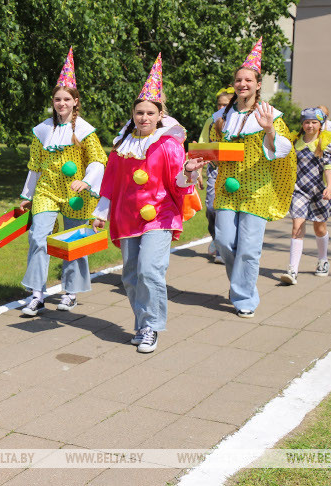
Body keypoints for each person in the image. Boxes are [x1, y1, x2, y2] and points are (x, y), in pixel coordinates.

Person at [92, 54, 206, 353]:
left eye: (149, 113)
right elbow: (110, 184)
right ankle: (142, 323)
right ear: (133, 114)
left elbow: (179, 183)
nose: (144, 118)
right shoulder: (121, 147)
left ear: (159, 116)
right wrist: (101, 213)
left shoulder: (169, 144)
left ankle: (152, 327)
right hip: (126, 217)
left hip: (161, 216)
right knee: (130, 276)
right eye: (139, 112)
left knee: (149, 271)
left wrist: (189, 172)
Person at [208, 38, 296, 318]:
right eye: (238, 80)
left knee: (248, 248)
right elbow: (213, 149)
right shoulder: (221, 116)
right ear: (233, 84)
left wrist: (269, 129)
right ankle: (240, 286)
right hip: (226, 188)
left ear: (258, 84)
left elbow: (282, 150)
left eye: (248, 80)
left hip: (258, 189)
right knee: (223, 241)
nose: (242, 84)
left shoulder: (269, 114)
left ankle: (244, 297)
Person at [18, 48, 107, 315]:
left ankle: (70, 291)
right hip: (47, 190)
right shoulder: (42, 130)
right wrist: (27, 195)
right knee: (39, 237)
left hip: (75, 193)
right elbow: (35, 166)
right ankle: (37, 293)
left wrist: (87, 182)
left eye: (67, 99)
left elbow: (98, 160)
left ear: (76, 101)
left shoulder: (84, 130)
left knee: (73, 240)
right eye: (57, 99)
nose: (62, 103)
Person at [280, 108, 331, 284]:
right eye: (306, 122)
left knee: (319, 228)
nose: (310, 125)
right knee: (297, 226)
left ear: (320, 124)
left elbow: (329, 168)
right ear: (302, 124)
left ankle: (323, 259)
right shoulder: (295, 141)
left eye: (314, 122)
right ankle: (292, 270)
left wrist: (329, 186)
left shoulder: (325, 143)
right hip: (299, 190)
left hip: (319, 191)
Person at [198, 86, 235, 264]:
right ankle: (215, 237)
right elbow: (202, 145)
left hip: (235, 173)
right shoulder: (210, 121)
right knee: (212, 209)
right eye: (219, 104)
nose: (221, 108)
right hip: (214, 170)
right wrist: (198, 171)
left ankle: (223, 247)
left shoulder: (238, 121)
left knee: (226, 211)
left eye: (225, 105)